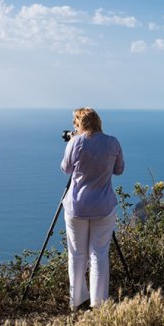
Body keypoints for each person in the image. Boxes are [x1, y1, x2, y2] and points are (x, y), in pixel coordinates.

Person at [61, 107, 125, 310]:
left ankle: (77, 301)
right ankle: (99, 304)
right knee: (99, 253)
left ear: (80, 123)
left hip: (77, 207)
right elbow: (119, 170)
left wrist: (73, 141)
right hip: (103, 206)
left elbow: (66, 169)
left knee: (77, 254)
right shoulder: (113, 142)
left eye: (75, 123)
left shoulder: (75, 142)